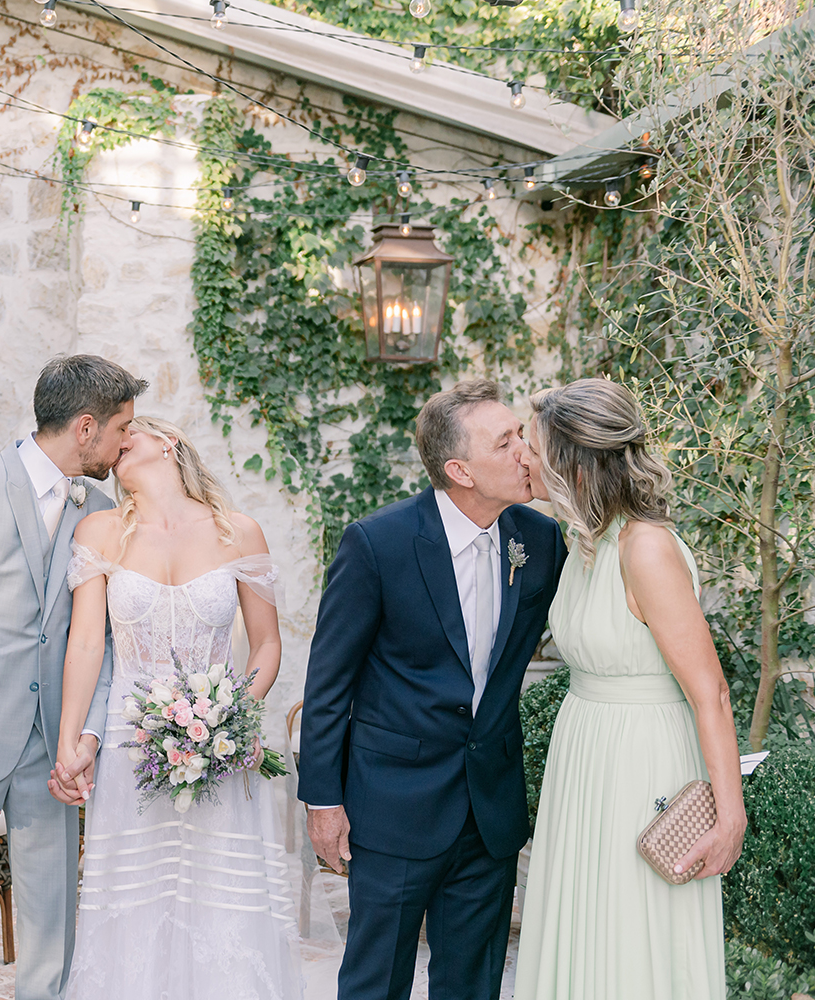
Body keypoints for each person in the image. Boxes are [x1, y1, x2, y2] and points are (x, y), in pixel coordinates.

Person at [298, 377, 566, 1000]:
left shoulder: (541, 540)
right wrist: (322, 800)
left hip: (489, 809)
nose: (525, 452)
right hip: (392, 807)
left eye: (521, 435)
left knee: (473, 986)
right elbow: (329, 681)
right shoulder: (377, 543)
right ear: (459, 470)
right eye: (506, 442)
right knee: (375, 983)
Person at [0, 354, 147, 1000]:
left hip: (53, 752)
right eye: (122, 427)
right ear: (87, 426)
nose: (127, 442)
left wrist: (86, 738)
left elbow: (106, 642)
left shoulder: (99, 510)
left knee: (52, 931)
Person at [54, 415, 303, 999]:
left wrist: (232, 712)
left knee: (219, 894)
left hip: (219, 740)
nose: (117, 447)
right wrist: (71, 739)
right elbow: (87, 644)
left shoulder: (238, 531)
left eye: (129, 434)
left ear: (168, 442)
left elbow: (267, 643)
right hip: (127, 740)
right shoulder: (99, 531)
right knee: (135, 895)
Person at [513, 379, 744, 1000]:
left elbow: (711, 692)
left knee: (633, 928)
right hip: (585, 756)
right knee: (586, 924)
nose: (522, 458)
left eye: (532, 447)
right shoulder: (586, 541)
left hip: (642, 762)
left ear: (574, 463)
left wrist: (730, 815)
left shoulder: (645, 548)